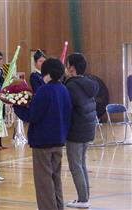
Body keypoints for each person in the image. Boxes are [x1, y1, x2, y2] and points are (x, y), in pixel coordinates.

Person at [14, 58, 72, 210]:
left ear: (46, 73)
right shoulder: (64, 89)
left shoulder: (44, 90)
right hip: (58, 140)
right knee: (55, 179)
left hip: (43, 142)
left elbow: (32, 116)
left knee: (44, 183)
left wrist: (17, 105)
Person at [65, 53, 99, 209]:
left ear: (71, 67)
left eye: (67, 64)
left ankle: (83, 199)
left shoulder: (71, 85)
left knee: (75, 165)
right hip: (87, 129)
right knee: (81, 163)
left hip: (76, 131)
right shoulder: (89, 83)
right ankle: (84, 197)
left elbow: (67, 109)